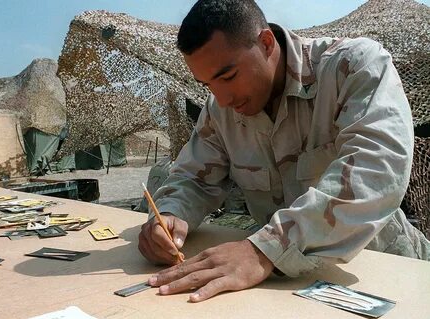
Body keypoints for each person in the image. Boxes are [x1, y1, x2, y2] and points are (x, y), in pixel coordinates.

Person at [138, 0, 430, 302]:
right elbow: (192, 179)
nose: (222, 99)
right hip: (286, 289)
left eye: (227, 77)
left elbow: (376, 170)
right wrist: (170, 217)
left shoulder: (354, 66)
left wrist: (267, 248)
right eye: (208, 85)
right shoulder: (220, 113)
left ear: (265, 43)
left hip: (389, 275)